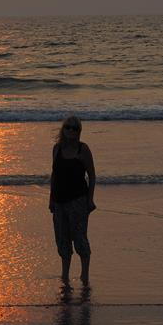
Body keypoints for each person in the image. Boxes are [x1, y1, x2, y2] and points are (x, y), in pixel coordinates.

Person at [49, 115, 96, 286]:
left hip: (78, 200)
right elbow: (54, 175)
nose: (71, 130)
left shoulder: (83, 150)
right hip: (59, 201)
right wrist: (51, 199)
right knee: (62, 239)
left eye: (75, 128)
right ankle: (65, 275)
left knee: (79, 238)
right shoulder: (57, 149)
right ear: (63, 129)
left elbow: (91, 175)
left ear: (79, 131)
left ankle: (84, 276)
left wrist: (90, 200)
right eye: (68, 127)